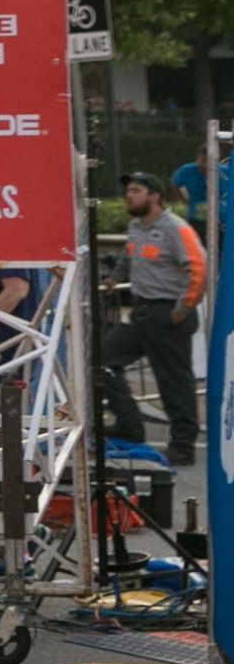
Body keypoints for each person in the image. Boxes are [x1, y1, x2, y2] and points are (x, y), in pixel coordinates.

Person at [102, 171, 207, 467]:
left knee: (174, 382)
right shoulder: (136, 226)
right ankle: (130, 426)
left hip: (166, 313)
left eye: (136, 191)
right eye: (128, 192)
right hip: (141, 312)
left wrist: (182, 309)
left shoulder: (175, 228)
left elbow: (198, 268)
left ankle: (182, 445)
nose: (129, 196)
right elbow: (128, 257)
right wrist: (114, 279)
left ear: (154, 196)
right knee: (103, 361)